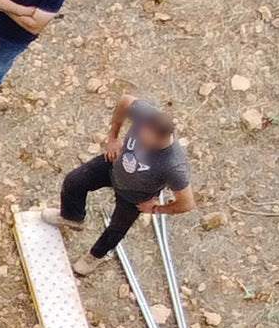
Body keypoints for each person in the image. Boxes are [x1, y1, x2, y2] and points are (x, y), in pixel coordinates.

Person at [55, 97, 193, 278]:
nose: (140, 138)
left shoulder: (174, 166)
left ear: (161, 138)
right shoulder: (144, 114)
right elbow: (125, 100)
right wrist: (113, 137)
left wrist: (156, 209)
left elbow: (187, 203)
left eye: (146, 139)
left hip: (135, 195)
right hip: (114, 165)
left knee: (116, 228)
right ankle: (72, 217)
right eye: (141, 133)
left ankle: (95, 256)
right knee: (74, 181)